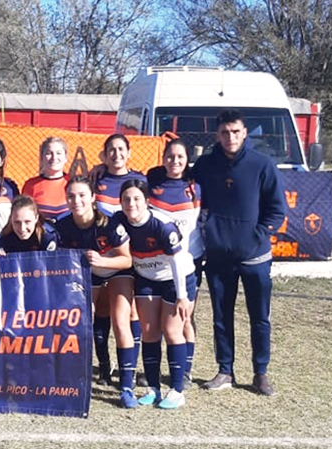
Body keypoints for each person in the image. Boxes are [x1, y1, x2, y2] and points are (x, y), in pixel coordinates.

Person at [193, 109, 286, 396]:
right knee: (222, 317)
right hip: (219, 256)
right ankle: (225, 370)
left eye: (235, 132)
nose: (230, 137)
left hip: (255, 257)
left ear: (245, 132)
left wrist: (257, 235)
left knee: (259, 316)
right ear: (217, 134)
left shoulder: (263, 164)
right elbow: (175, 180)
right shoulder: (205, 165)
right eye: (224, 132)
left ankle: (261, 372)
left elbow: (277, 209)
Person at [114, 179, 196, 410]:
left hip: (176, 279)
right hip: (147, 279)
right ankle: (153, 388)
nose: (131, 204)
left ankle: (177, 390)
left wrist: (182, 296)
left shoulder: (162, 225)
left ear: (147, 201)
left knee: (171, 331)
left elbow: (178, 262)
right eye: (126, 199)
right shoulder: (119, 221)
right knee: (149, 332)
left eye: (137, 199)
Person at [55, 177, 133, 401]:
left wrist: (102, 262)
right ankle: (79, 376)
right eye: (71, 196)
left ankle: (126, 387)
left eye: (81, 195)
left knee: (120, 321)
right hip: (88, 275)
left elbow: (127, 260)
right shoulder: (63, 226)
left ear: (92, 198)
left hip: (117, 270)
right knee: (79, 319)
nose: (76, 200)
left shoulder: (108, 225)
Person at [147, 139, 204, 388]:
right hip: (158, 264)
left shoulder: (195, 187)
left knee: (184, 318)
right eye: (170, 156)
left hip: (189, 261)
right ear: (163, 158)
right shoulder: (152, 183)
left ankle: (186, 371)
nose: (175, 161)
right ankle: (158, 371)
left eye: (180, 157)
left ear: (187, 159)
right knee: (158, 324)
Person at [93, 134, 146, 388]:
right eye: (111, 150)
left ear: (129, 152)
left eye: (121, 149)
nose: (116, 154)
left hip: (133, 255)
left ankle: (131, 371)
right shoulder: (97, 179)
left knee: (130, 313)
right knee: (102, 310)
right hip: (104, 256)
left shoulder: (140, 180)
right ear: (104, 155)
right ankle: (105, 368)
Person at [21, 137, 70, 222]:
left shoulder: (74, 183)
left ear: (65, 157)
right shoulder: (31, 185)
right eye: (48, 153)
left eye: (58, 153)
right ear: (42, 157)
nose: (54, 157)